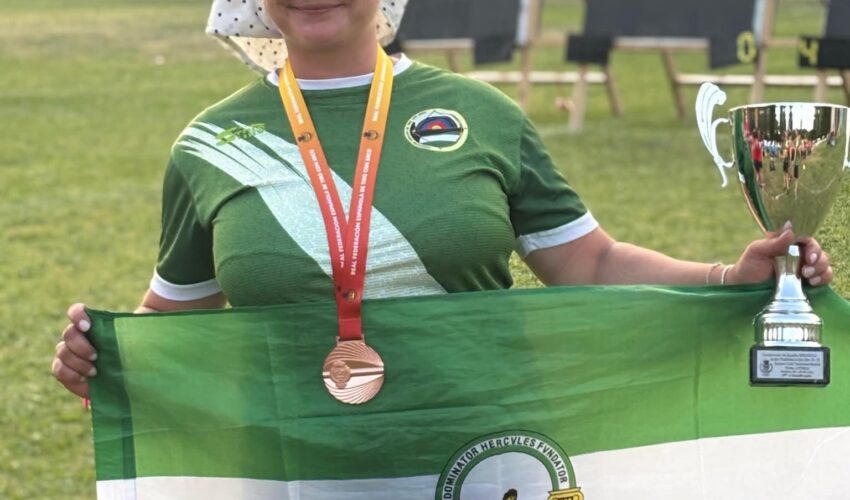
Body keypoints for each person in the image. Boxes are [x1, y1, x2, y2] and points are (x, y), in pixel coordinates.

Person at [52, 0, 834, 399]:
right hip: (294, 466)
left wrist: (731, 281)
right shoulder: (210, 144)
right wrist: (100, 360)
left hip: (480, 454)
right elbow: (168, 327)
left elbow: (590, 263)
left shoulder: (483, 113)